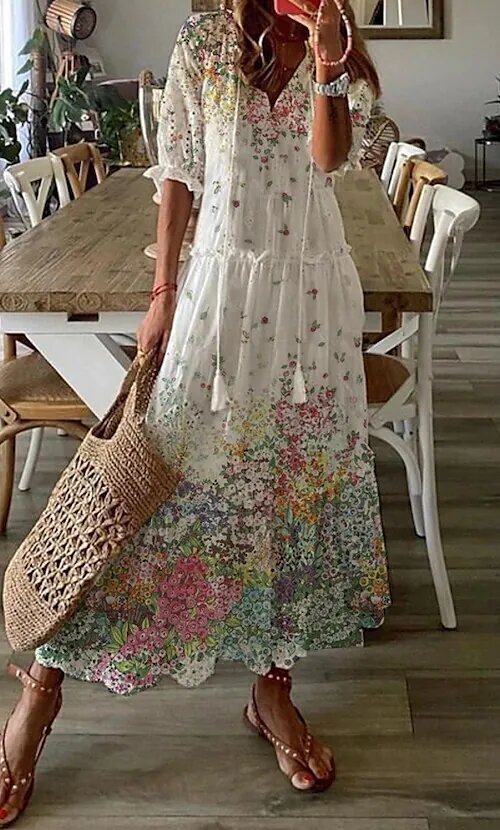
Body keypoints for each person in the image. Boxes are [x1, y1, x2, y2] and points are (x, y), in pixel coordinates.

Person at [0, 0, 390, 823]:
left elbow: (327, 161)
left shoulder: (339, 46)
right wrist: (162, 292)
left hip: (312, 300)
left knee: (291, 496)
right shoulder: (205, 40)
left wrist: (326, 60)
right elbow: (176, 170)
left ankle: (272, 690)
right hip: (218, 290)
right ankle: (42, 688)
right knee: (145, 495)